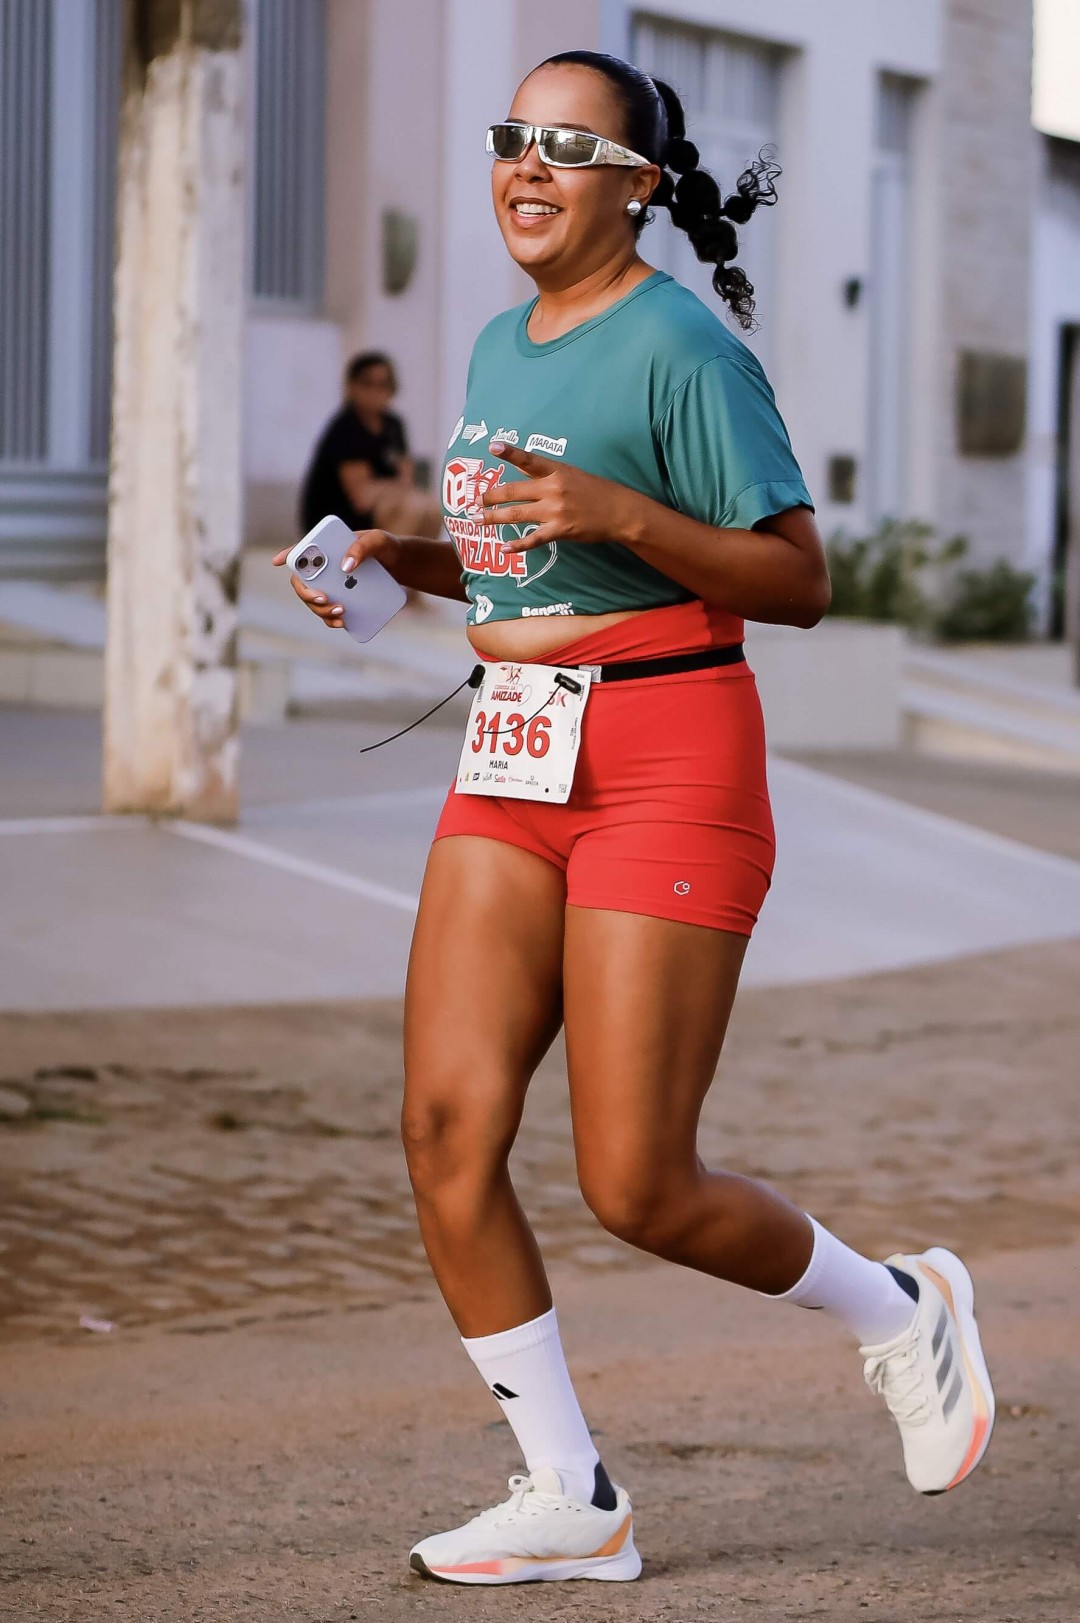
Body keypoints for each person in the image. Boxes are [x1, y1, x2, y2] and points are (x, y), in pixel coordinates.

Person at [274, 50, 995, 1587]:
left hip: (668, 756)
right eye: (512, 137)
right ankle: (569, 1489)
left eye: (567, 144)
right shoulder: (496, 343)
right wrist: (407, 560)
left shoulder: (684, 348)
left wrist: (627, 512)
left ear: (638, 185)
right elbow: (535, 563)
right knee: (444, 1126)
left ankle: (904, 1307)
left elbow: (798, 579)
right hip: (513, 756)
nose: (527, 166)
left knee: (639, 1181)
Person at [298, 350, 442, 549]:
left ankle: (414, 566)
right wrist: (393, 489)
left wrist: (386, 489)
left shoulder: (393, 425)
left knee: (432, 509)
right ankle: (387, 563)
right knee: (411, 508)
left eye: (383, 384)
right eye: (367, 383)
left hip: (382, 507)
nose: (375, 391)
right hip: (341, 518)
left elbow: (406, 480)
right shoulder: (346, 427)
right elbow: (361, 497)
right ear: (352, 386)